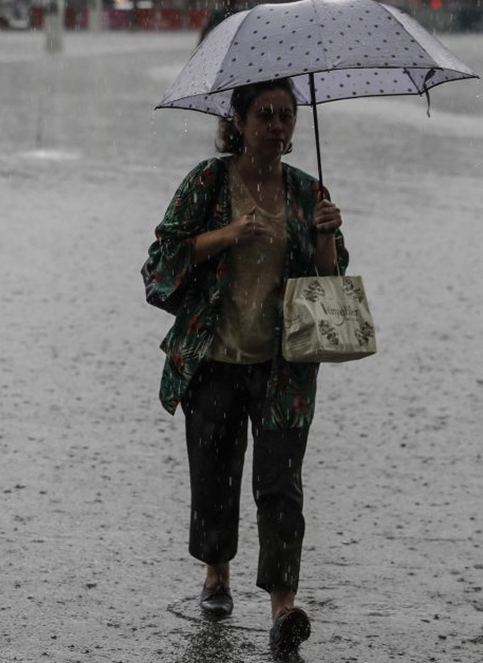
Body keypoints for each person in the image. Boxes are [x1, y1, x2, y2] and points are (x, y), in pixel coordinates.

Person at [140, 77, 346, 657]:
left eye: (286, 115)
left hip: (284, 368)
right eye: (265, 115)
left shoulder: (308, 193)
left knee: (281, 484)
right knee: (215, 472)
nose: (277, 126)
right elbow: (161, 261)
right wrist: (229, 233)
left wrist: (326, 237)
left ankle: (283, 605)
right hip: (213, 359)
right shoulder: (208, 182)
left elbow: (329, 291)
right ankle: (217, 572)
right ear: (239, 120)